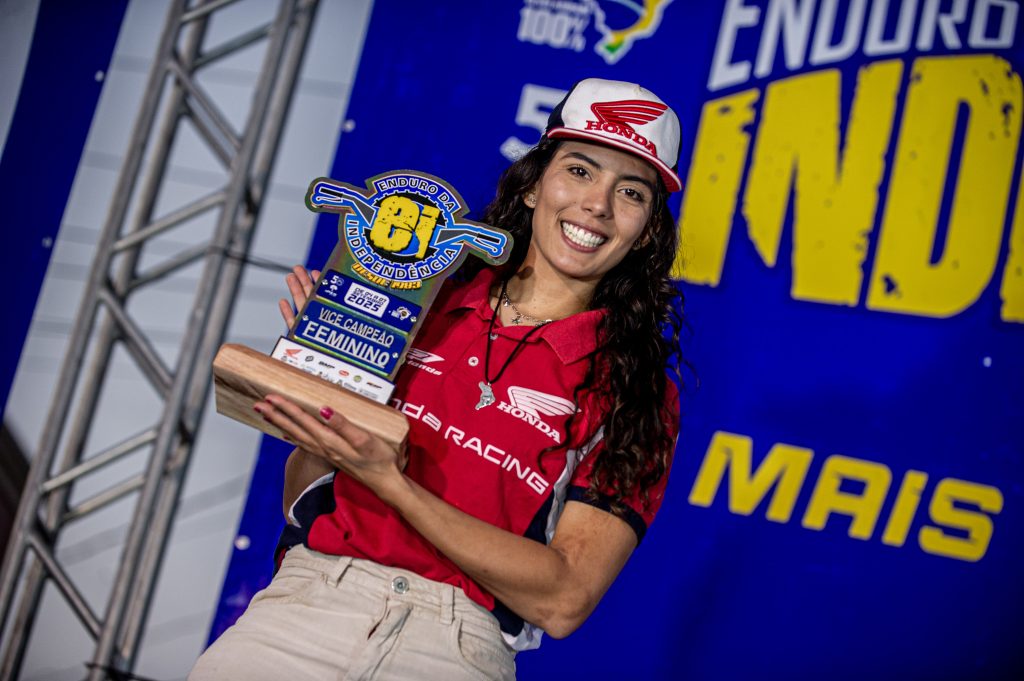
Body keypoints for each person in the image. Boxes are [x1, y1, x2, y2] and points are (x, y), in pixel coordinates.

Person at [189, 78, 685, 680]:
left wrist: (392, 484)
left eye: (629, 191)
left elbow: (563, 600)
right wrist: (330, 377)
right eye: (580, 171)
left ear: (647, 230)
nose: (598, 205)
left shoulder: (635, 391)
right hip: (308, 604)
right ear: (533, 185)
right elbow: (303, 494)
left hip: (455, 648)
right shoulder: (416, 295)